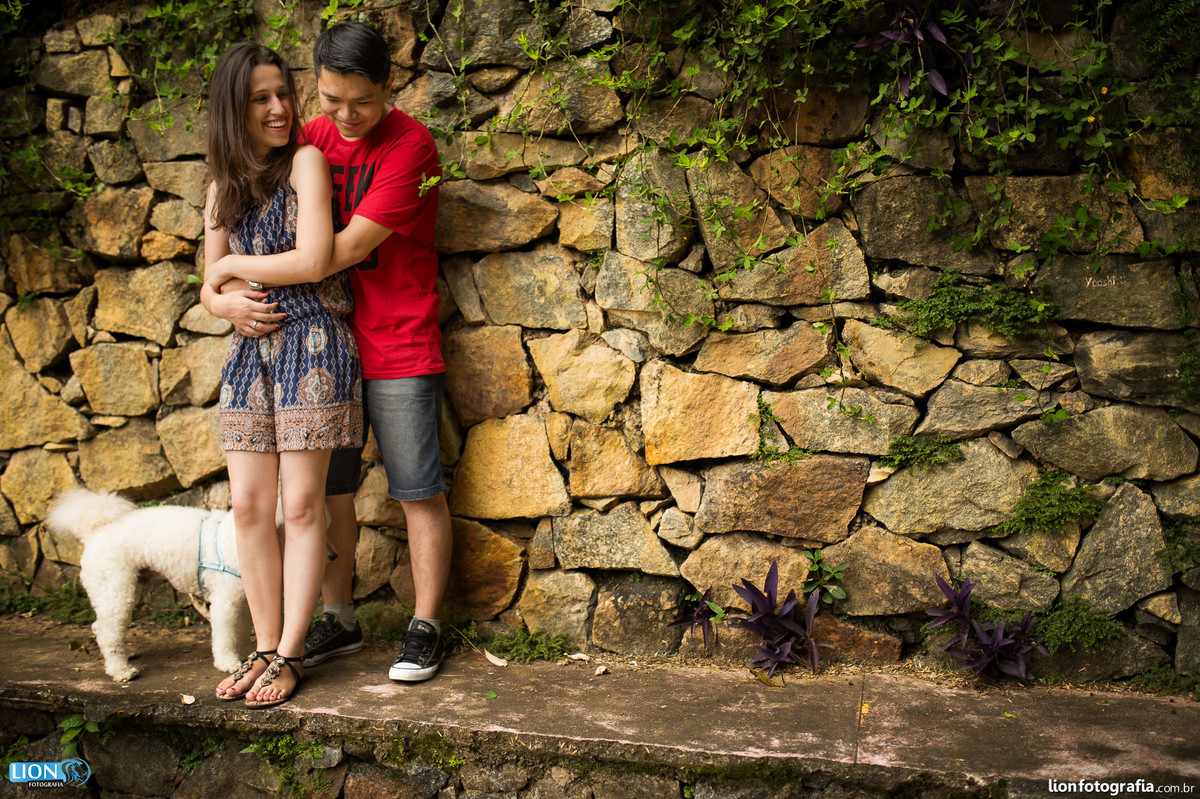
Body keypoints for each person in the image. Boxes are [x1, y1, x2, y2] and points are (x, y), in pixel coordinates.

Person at [202, 21, 453, 683]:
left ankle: (426, 625)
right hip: (319, 344)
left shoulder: (411, 147)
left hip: (394, 336)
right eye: (330, 99)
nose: (343, 115)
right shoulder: (307, 134)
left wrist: (234, 270)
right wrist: (218, 295)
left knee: (416, 488)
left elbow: (338, 252)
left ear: (389, 86)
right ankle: (338, 618)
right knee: (329, 492)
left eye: (360, 102)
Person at [202, 42, 363, 707]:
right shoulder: (222, 186)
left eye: (282, 94)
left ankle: (291, 653)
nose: (278, 108)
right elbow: (208, 287)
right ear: (232, 110)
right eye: (259, 99)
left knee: (299, 505)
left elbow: (315, 258)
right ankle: (265, 645)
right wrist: (220, 299)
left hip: (312, 342)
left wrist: (229, 270)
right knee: (248, 506)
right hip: (250, 354)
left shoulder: (306, 162)